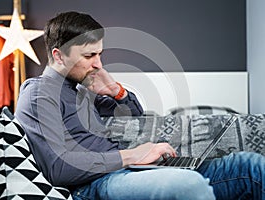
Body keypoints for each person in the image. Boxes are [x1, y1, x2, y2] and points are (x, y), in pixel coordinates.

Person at [15, 11, 265, 200]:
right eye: (89, 56)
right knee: (189, 186)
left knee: (248, 165)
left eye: (100, 54)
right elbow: (59, 168)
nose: (99, 64)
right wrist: (133, 155)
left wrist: (116, 91)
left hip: (127, 173)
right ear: (58, 55)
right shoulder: (38, 92)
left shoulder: (80, 91)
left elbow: (135, 115)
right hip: (94, 185)